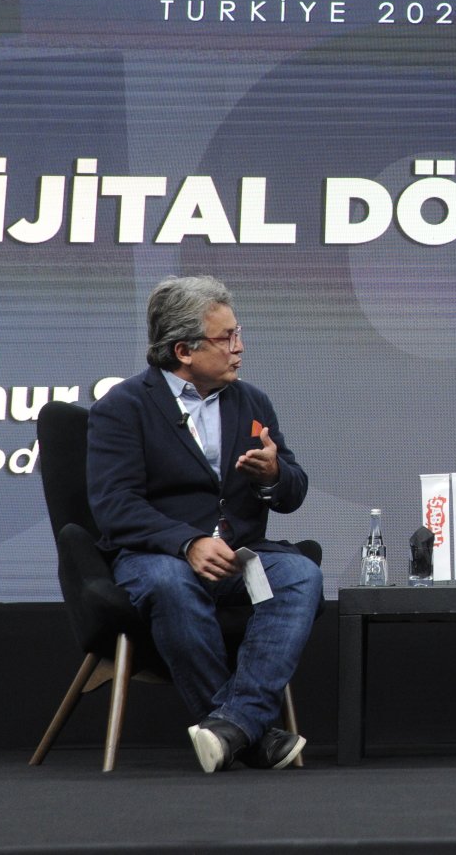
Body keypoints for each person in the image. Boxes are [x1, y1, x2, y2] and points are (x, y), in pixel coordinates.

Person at [88, 275, 323, 773]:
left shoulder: (251, 401)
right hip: (158, 558)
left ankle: (231, 726)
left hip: (240, 558)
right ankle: (248, 732)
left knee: (300, 575)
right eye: (226, 338)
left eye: (238, 334)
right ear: (184, 350)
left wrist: (275, 475)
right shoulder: (121, 409)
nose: (240, 349)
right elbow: (114, 506)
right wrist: (187, 542)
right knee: (170, 583)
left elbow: (294, 493)